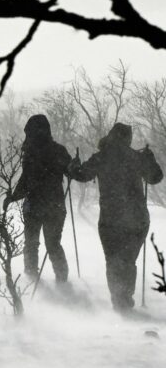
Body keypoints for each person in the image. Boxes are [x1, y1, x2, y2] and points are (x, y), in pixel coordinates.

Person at [69, 122, 163, 312]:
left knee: (113, 261)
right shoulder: (136, 157)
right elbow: (155, 177)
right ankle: (125, 301)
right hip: (137, 219)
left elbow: (80, 175)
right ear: (127, 138)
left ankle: (118, 302)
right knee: (128, 261)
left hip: (111, 219)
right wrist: (149, 159)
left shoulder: (101, 158)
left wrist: (73, 166)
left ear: (111, 136)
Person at [3, 114, 71, 286]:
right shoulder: (57, 151)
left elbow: (26, 181)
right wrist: (13, 197)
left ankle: (34, 277)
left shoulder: (32, 152)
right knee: (50, 244)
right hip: (52, 205)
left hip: (36, 205)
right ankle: (59, 279)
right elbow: (72, 172)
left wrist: (13, 197)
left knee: (35, 244)